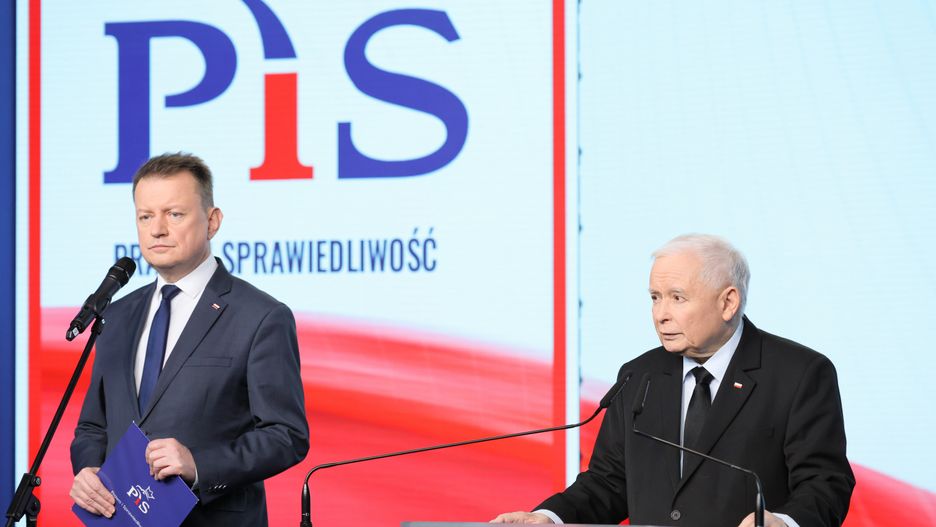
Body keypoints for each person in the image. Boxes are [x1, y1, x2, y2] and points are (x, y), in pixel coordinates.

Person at [492, 234, 854, 527]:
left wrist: (786, 523)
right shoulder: (638, 376)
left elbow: (825, 482)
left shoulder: (798, 373)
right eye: (655, 298)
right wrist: (550, 517)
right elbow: (609, 482)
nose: (660, 315)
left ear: (728, 302)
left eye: (677, 298)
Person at [69, 153, 309, 526]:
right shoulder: (115, 316)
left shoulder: (260, 316)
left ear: (212, 222)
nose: (157, 230)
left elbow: (286, 435)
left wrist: (199, 465)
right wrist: (87, 470)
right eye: (145, 216)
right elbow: (93, 427)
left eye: (174, 214)